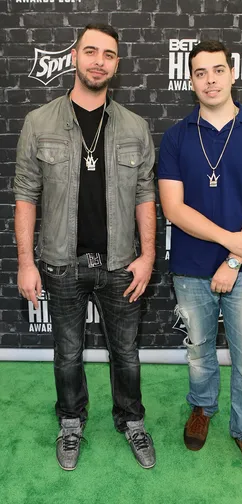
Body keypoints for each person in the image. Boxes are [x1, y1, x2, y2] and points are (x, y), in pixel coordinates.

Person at [14, 24, 156, 471]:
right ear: (74, 56)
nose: (99, 61)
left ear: (117, 64)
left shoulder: (135, 127)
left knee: (127, 353)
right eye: (90, 51)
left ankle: (131, 421)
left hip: (120, 264)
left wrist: (149, 256)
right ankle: (71, 423)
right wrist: (25, 263)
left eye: (108, 54)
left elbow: (146, 197)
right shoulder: (39, 122)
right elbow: (25, 195)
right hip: (60, 263)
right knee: (68, 352)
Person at [158, 40, 242, 484]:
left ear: (233, 74)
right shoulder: (175, 136)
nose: (209, 79)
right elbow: (174, 208)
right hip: (191, 268)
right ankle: (202, 409)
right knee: (198, 354)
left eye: (217, 70)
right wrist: (228, 239)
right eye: (199, 72)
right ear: (190, 80)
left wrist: (232, 258)